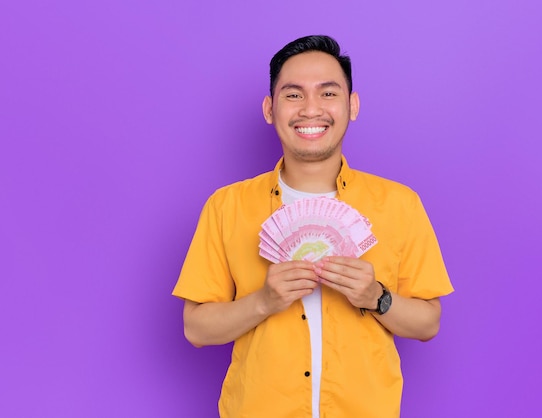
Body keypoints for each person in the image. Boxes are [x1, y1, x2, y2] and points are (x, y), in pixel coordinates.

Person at [173, 35, 454, 418]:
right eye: (293, 95)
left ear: (351, 106)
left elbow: (428, 322)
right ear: (269, 109)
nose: (310, 109)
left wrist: (376, 296)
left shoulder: (400, 204)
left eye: (327, 93)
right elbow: (196, 329)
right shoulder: (226, 206)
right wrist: (263, 301)